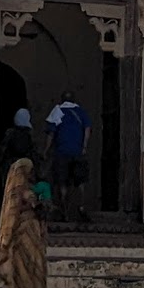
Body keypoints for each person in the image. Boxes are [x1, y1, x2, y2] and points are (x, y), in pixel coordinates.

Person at [0, 157, 47, 288]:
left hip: (22, 234)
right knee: (33, 268)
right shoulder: (32, 192)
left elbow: (11, 216)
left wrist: (5, 239)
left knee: (21, 271)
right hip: (33, 232)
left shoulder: (17, 192)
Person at [45, 90, 92, 223]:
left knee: (62, 182)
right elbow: (87, 129)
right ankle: (81, 207)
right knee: (80, 181)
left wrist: (46, 150)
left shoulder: (57, 111)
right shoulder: (81, 112)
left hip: (61, 152)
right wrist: (84, 147)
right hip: (77, 152)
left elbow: (51, 134)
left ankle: (65, 211)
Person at [0, 108, 35, 179]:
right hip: (23, 164)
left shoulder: (10, 133)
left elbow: (3, 149)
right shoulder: (27, 135)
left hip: (11, 164)